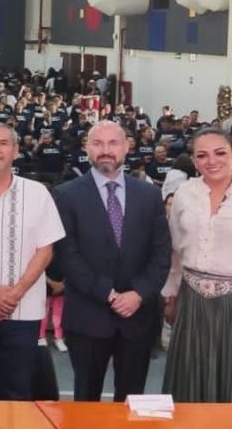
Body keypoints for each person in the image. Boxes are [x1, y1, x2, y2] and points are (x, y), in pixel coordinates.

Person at [52, 121, 171, 402]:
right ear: (87, 149)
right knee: (86, 401)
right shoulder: (66, 194)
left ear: (127, 147)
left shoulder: (150, 195)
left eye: (113, 143)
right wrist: (107, 293)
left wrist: (138, 294)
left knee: (131, 401)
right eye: (98, 143)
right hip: (88, 316)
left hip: (138, 317)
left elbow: (161, 253)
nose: (106, 151)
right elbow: (67, 254)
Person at [0, 123, 64, 401]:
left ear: (16, 150)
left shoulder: (38, 193)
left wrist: (13, 294)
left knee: (19, 391)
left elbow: (46, 250)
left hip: (23, 311)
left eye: (3, 143)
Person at [162, 128, 232, 402]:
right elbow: (175, 251)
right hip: (191, 300)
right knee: (189, 382)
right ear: (193, 161)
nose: (211, 161)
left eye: (220, 153)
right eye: (202, 155)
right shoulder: (184, 194)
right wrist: (171, 295)